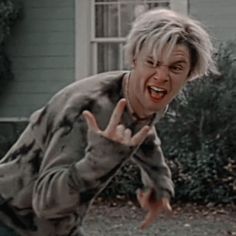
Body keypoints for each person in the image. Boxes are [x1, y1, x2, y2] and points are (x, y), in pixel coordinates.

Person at [0, 8, 216, 236]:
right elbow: (47, 203)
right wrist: (100, 160)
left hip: (58, 225)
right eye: (152, 62)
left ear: (190, 73)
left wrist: (159, 183)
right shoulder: (87, 110)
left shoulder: (145, 97)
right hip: (10, 215)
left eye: (175, 68)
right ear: (135, 59)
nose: (161, 76)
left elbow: (144, 131)